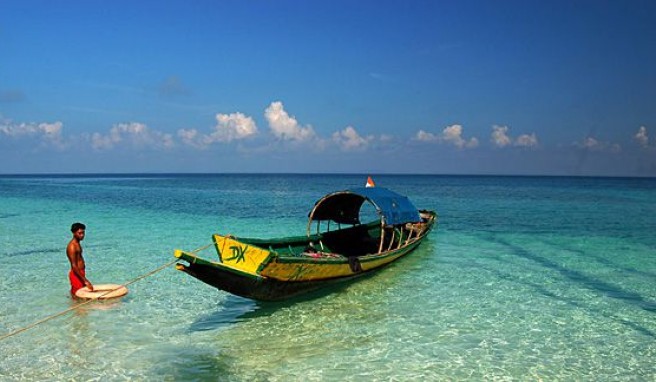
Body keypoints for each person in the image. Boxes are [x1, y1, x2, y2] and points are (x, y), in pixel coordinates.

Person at [66, 222, 93, 296]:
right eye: (79, 233)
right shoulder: (72, 247)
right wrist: (85, 281)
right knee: (77, 296)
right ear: (73, 233)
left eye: (83, 233)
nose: (82, 235)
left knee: (78, 295)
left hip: (80, 273)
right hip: (76, 274)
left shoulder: (77, 243)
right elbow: (74, 266)